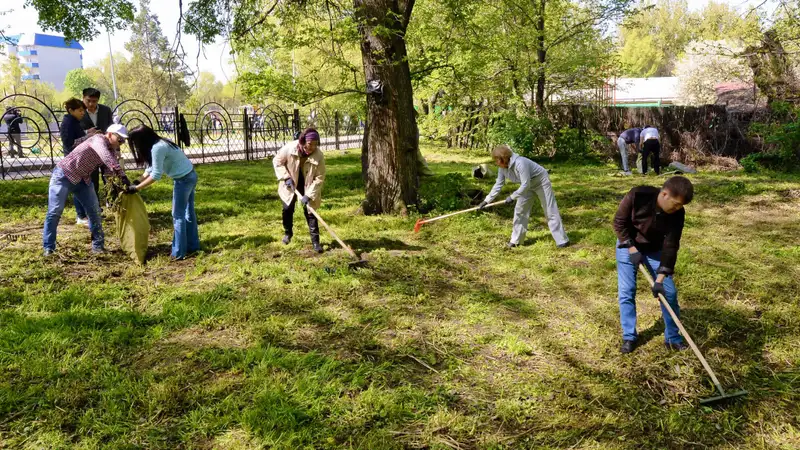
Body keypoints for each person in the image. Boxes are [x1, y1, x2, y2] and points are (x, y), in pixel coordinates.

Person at [613, 176, 694, 354]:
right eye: (675, 204)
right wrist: (631, 248)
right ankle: (629, 336)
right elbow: (619, 223)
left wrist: (660, 277)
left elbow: (671, 245)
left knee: (669, 293)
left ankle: (672, 338)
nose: (677, 208)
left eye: (681, 206)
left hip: (655, 250)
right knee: (627, 291)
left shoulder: (677, 214)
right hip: (628, 244)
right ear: (664, 194)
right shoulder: (637, 195)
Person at [42, 124, 131, 256]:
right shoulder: (98, 140)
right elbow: (106, 157)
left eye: (124, 141)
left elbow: (109, 172)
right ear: (110, 134)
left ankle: (98, 247)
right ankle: (49, 248)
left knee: (94, 211)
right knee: (55, 211)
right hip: (63, 175)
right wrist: (123, 176)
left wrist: (122, 186)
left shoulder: (111, 150)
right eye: (120, 140)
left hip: (83, 180)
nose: (121, 143)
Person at [126, 125, 199, 260]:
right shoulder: (160, 143)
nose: (135, 146)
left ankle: (178, 253)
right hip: (190, 175)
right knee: (188, 212)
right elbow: (151, 168)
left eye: (135, 143)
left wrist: (137, 188)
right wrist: (137, 181)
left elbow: (156, 175)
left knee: (178, 215)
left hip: (183, 180)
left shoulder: (158, 148)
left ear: (142, 140)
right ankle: (193, 246)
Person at [478, 144, 569, 248]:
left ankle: (562, 240)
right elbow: (498, 184)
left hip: (540, 181)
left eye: (497, 159)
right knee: (520, 211)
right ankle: (516, 240)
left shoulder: (520, 163)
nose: (496, 162)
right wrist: (486, 201)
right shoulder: (502, 168)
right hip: (525, 186)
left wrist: (512, 197)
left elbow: (526, 184)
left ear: (504, 158)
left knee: (549, 209)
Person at [273, 128, 326, 253]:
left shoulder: (319, 155)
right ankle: (288, 233)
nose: (312, 147)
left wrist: (309, 195)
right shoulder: (290, 148)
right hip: (291, 181)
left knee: (310, 211)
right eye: (310, 144)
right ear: (303, 141)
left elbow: (320, 177)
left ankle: (316, 242)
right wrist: (286, 177)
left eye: (315, 144)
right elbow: (277, 161)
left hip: (308, 183)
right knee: (287, 208)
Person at [59, 98, 101, 226]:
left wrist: (88, 132)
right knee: (78, 187)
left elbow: (77, 135)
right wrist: (88, 137)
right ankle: (81, 215)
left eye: (83, 110)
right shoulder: (68, 123)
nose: (83, 112)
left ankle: (87, 213)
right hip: (73, 160)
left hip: (79, 158)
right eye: (80, 110)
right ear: (71, 110)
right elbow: (70, 143)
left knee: (82, 186)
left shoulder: (74, 121)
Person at [80, 88, 115, 202]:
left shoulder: (105, 110)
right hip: (88, 150)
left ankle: (110, 201)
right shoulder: (79, 111)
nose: (91, 104)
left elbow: (111, 127)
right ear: (83, 98)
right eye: (88, 100)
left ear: (98, 100)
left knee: (108, 176)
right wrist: (87, 133)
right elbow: (75, 131)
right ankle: (94, 203)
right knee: (91, 178)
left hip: (105, 148)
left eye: (94, 101)